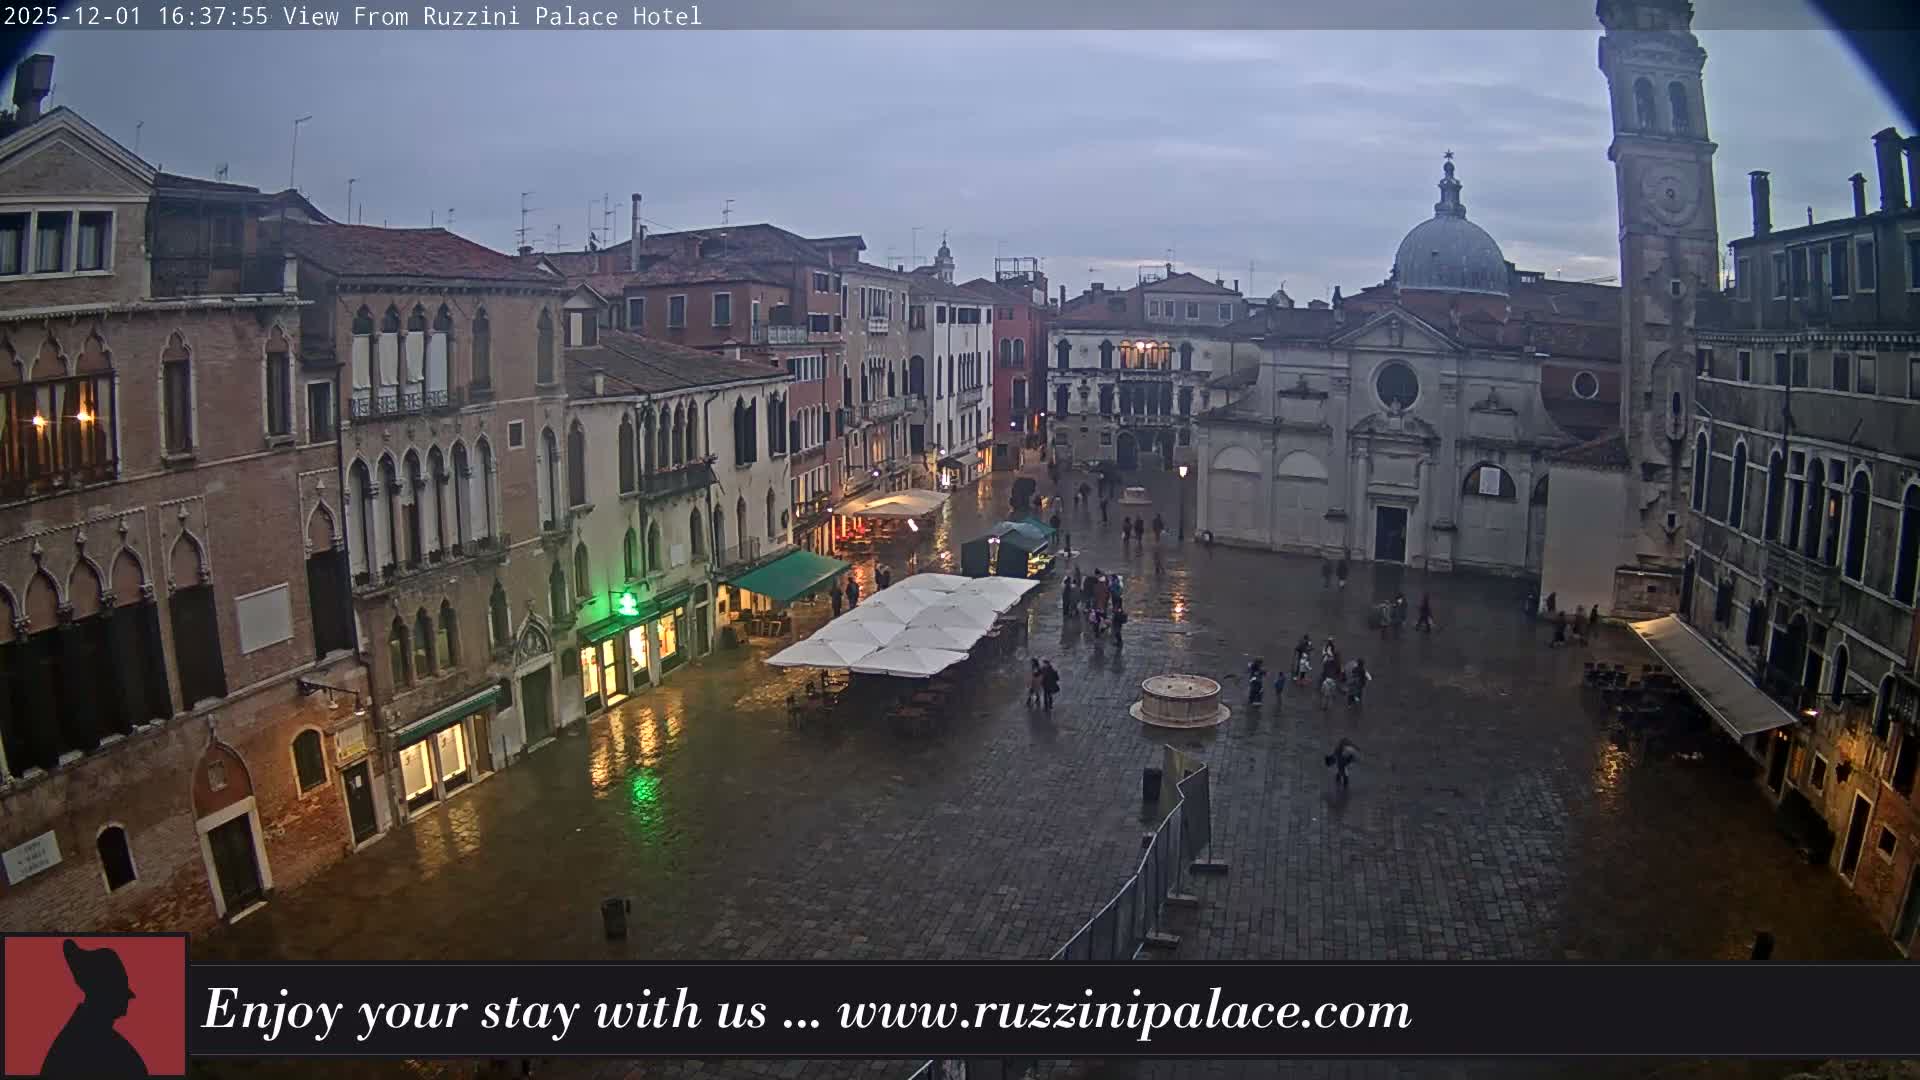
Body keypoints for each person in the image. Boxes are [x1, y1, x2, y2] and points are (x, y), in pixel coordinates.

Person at [41, 939, 149, 1076]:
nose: (126, 1002)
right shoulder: (84, 1044)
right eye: (119, 992)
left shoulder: (81, 1036)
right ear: (106, 994)